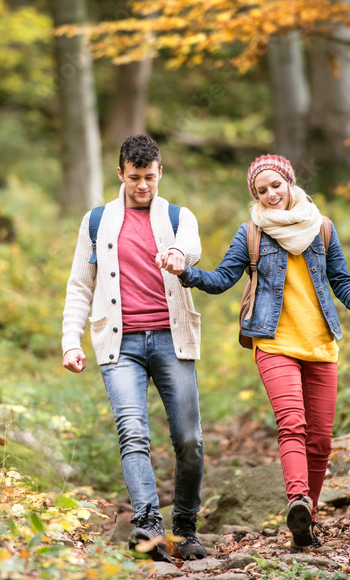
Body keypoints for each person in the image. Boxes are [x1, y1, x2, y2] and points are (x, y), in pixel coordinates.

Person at [157, 154, 350, 550]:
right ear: (255, 195)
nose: (271, 194)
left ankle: (305, 520)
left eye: (276, 185)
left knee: (322, 441)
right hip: (273, 342)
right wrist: (185, 273)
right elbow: (222, 278)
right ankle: (297, 500)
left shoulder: (322, 228)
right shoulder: (252, 233)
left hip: (321, 344)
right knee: (292, 423)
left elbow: (342, 279)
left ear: (290, 182)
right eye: (262, 191)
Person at [62, 134, 207, 563]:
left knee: (189, 440)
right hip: (118, 344)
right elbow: (79, 287)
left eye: (149, 177)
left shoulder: (179, 216)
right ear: (120, 174)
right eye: (134, 178)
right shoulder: (97, 222)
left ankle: (185, 526)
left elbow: (192, 247)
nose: (142, 185)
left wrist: (179, 254)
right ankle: (148, 526)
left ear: (160, 172)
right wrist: (71, 341)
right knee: (133, 433)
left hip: (171, 340)